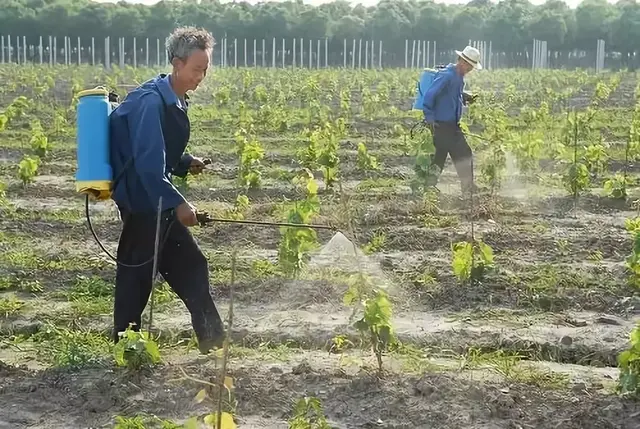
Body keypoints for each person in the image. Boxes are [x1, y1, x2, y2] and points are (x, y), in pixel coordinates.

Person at [108, 26, 225, 354]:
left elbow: (159, 152)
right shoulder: (150, 103)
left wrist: (186, 161)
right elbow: (147, 167)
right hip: (143, 203)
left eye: (206, 70)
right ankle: (126, 351)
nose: (201, 77)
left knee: (191, 267)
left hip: (155, 199)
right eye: (197, 69)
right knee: (137, 280)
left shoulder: (172, 97)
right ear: (177, 63)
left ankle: (214, 342)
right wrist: (180, 204)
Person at [422, 45, 482, 195]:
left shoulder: (458, 77)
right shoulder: (447, 75)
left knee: (439, 156)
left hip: (450, 124)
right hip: (441, 125)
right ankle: (467, 188)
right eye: (469, 66)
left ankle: (429, 187)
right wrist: (429, 117)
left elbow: (452, 93)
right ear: (462, 61)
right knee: (463, 154)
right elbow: (430, 95)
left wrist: (465, 96)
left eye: (471, 67)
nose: (470, 70)